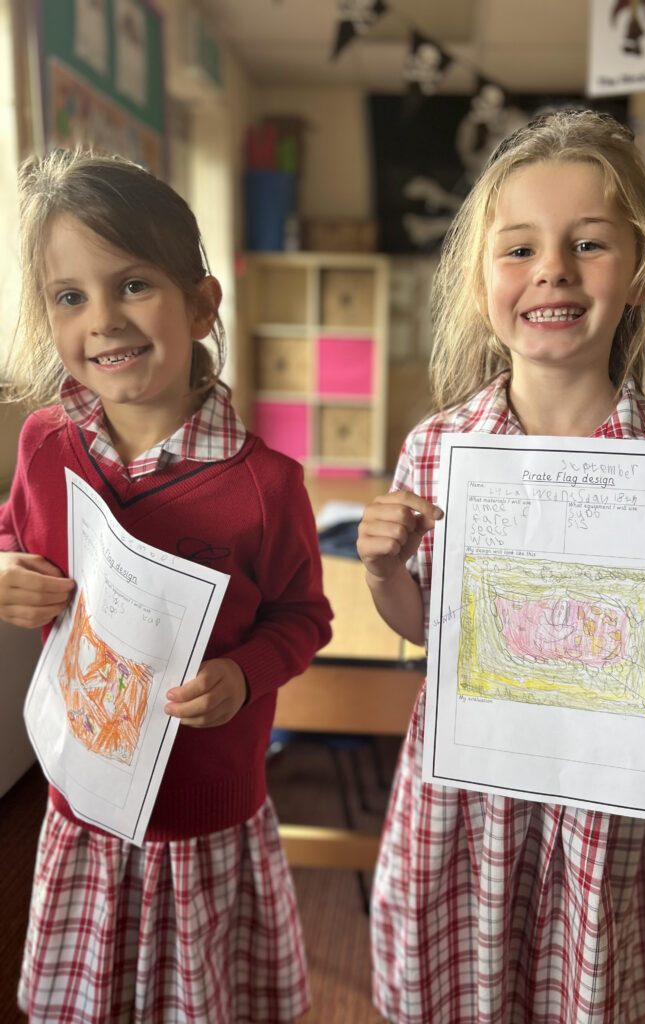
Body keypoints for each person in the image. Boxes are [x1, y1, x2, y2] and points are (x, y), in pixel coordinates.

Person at [356, 109, 645, 1024]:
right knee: (447, 987)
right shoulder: (437, 448)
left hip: (596, 803)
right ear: (479, 281)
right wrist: (385, 575)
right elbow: (430, 627)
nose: (552, 270)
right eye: (519, 249)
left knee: (576, 988)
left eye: (588, 243)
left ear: (639, 273)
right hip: (458, 794)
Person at [0, 148, 333, 1024]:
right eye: (70, 297)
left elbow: (305, 616)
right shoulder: (45, 443)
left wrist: (246, 673)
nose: (102, 319)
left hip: (205, 816)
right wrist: (4, 571)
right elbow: (14, 533)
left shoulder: (268, 487)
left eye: (133, 284)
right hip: (83, 802)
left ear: (200, 304)